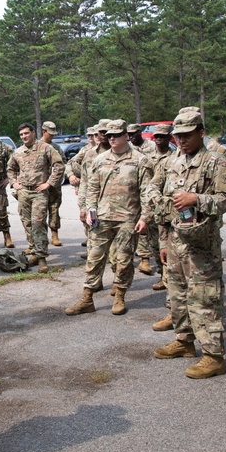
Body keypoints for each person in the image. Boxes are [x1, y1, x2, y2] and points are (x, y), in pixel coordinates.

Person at [149, 109, 226, 379]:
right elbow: (152, 188)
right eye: (178, 136)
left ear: (201, 132)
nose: (182, 140)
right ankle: (184, 342)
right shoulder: (170, 161)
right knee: (178, 295)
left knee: (205, 298)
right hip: (175, 239)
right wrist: (163, 240)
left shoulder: (216, 161)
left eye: (187, 135)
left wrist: (196, 200)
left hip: (202, 243)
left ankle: (213, 355)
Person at [66, 120, 154, 317]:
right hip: (102, 217)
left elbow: (147, 192)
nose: (111, 138)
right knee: (94, 257)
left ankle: (119, 296)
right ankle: (87, 298)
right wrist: (90, 210)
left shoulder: (140, 160)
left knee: (123, 260)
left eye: (116, 135)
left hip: (128, 218)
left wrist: (145, 217)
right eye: (109, 135)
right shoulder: (100, 160)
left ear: (126, 136)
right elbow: (92, 188)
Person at [7, 122, 65, 273]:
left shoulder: (45, 148)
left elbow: (59, 165)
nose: (24, 137)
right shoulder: (18, 152)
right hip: (24, 192)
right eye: (21, 135)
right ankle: (33, 251)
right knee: (27, 223)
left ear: (33, 133)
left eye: (26, 133)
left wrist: (49, 183)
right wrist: (14, 183)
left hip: (39, 192)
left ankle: (41, 257)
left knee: (38, 223)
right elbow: (10, 169)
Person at [137, 124, 174, 281]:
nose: (158, 140)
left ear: (169, 138)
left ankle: (170, 279)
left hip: (169, 207)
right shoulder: (147, 157)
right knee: (154, 244)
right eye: (156, 137)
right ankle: (162, 276)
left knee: (169, 246)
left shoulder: (175, 157)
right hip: (151, 206)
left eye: (162, 137)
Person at [40, 121, 66, 247]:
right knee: (38, 213)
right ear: (43, 132)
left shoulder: (56, 147)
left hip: (54, 185)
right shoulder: (36, 146)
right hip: (39, 185)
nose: (52, 136)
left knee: (54, 210)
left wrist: (55, 181)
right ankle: (39, 239)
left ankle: (54, 234)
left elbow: (63, 163)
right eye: (50, 134)